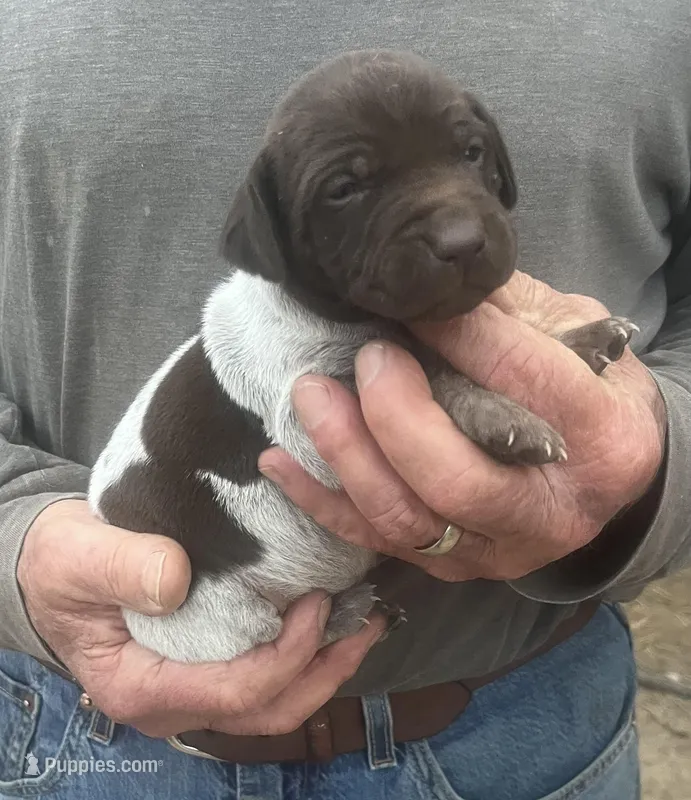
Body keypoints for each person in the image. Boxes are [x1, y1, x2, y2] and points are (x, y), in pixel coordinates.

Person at [0, 1, 689, 798]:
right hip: (96, 730)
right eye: (345, 189)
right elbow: (324, 426)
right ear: (273, 239)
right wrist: (12, 535)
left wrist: (656, 460)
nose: (458, 229)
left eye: (469, 154)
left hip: (527, 715)